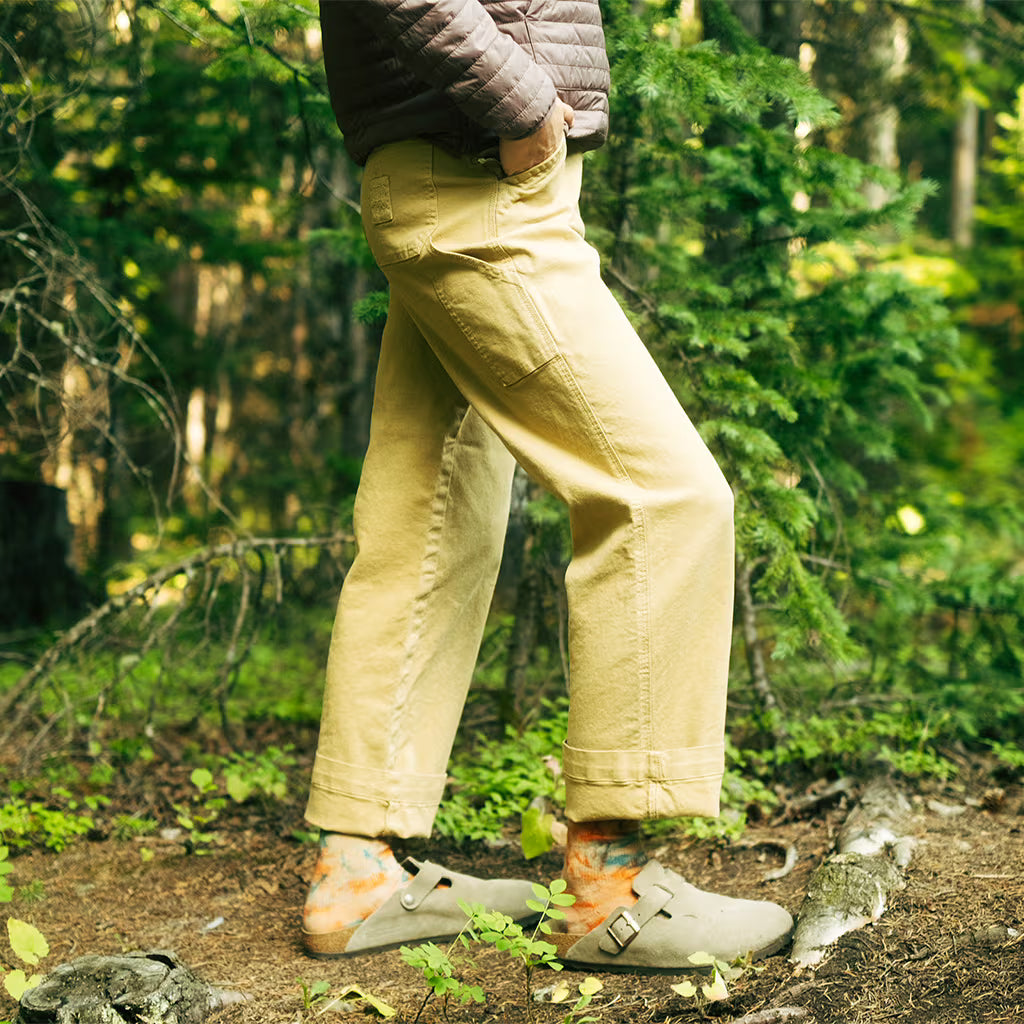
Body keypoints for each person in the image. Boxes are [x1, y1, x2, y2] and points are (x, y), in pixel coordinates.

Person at [302, 0, 793, 970]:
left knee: (429, 523)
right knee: (662, 498)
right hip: (476, 180)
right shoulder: (495, 127)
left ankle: (356, 872)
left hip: (452, 172)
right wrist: (521, 101)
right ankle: (609, 889)